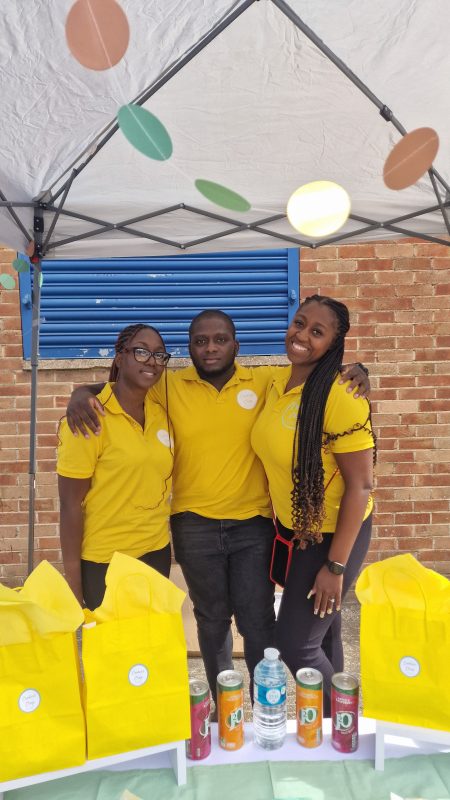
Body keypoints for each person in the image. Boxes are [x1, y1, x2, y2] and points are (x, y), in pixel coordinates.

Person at [65, 309, 370, 703]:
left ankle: (265, 703)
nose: (210, 348)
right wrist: (79, 394)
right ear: (189, 348)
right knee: (211, 620)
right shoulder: (169, 385)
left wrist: (358, 370)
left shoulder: (264, 381)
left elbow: (318, 371)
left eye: (220, 339)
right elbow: (118, 384)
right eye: (200, 341)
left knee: (258, 620)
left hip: (253, 526)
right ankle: (222, 708)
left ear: (236, 346)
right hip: (194, 526)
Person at [250, 295, 375, 716]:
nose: (301, 335)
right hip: (297, 530)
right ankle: (329, 733)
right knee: (323, 637)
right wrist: (88, 391)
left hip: (334, 533)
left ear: (333, 345)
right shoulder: (274, 381)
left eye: (316, 332)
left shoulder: (341, 395)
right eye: (299, 323)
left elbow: (361, 486)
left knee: (296, 645)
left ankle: (346, 725)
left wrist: (336, 567)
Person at [57, 323, 173, 609]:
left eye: (160, 355)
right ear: (120, 358)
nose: (152, 361)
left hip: (156, 552)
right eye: (142, 351)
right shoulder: (88, 418)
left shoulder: (161, 412)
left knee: (151, 646)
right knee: (114, 651)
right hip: (106, 560)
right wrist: (73, 584)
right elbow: (70, 506)